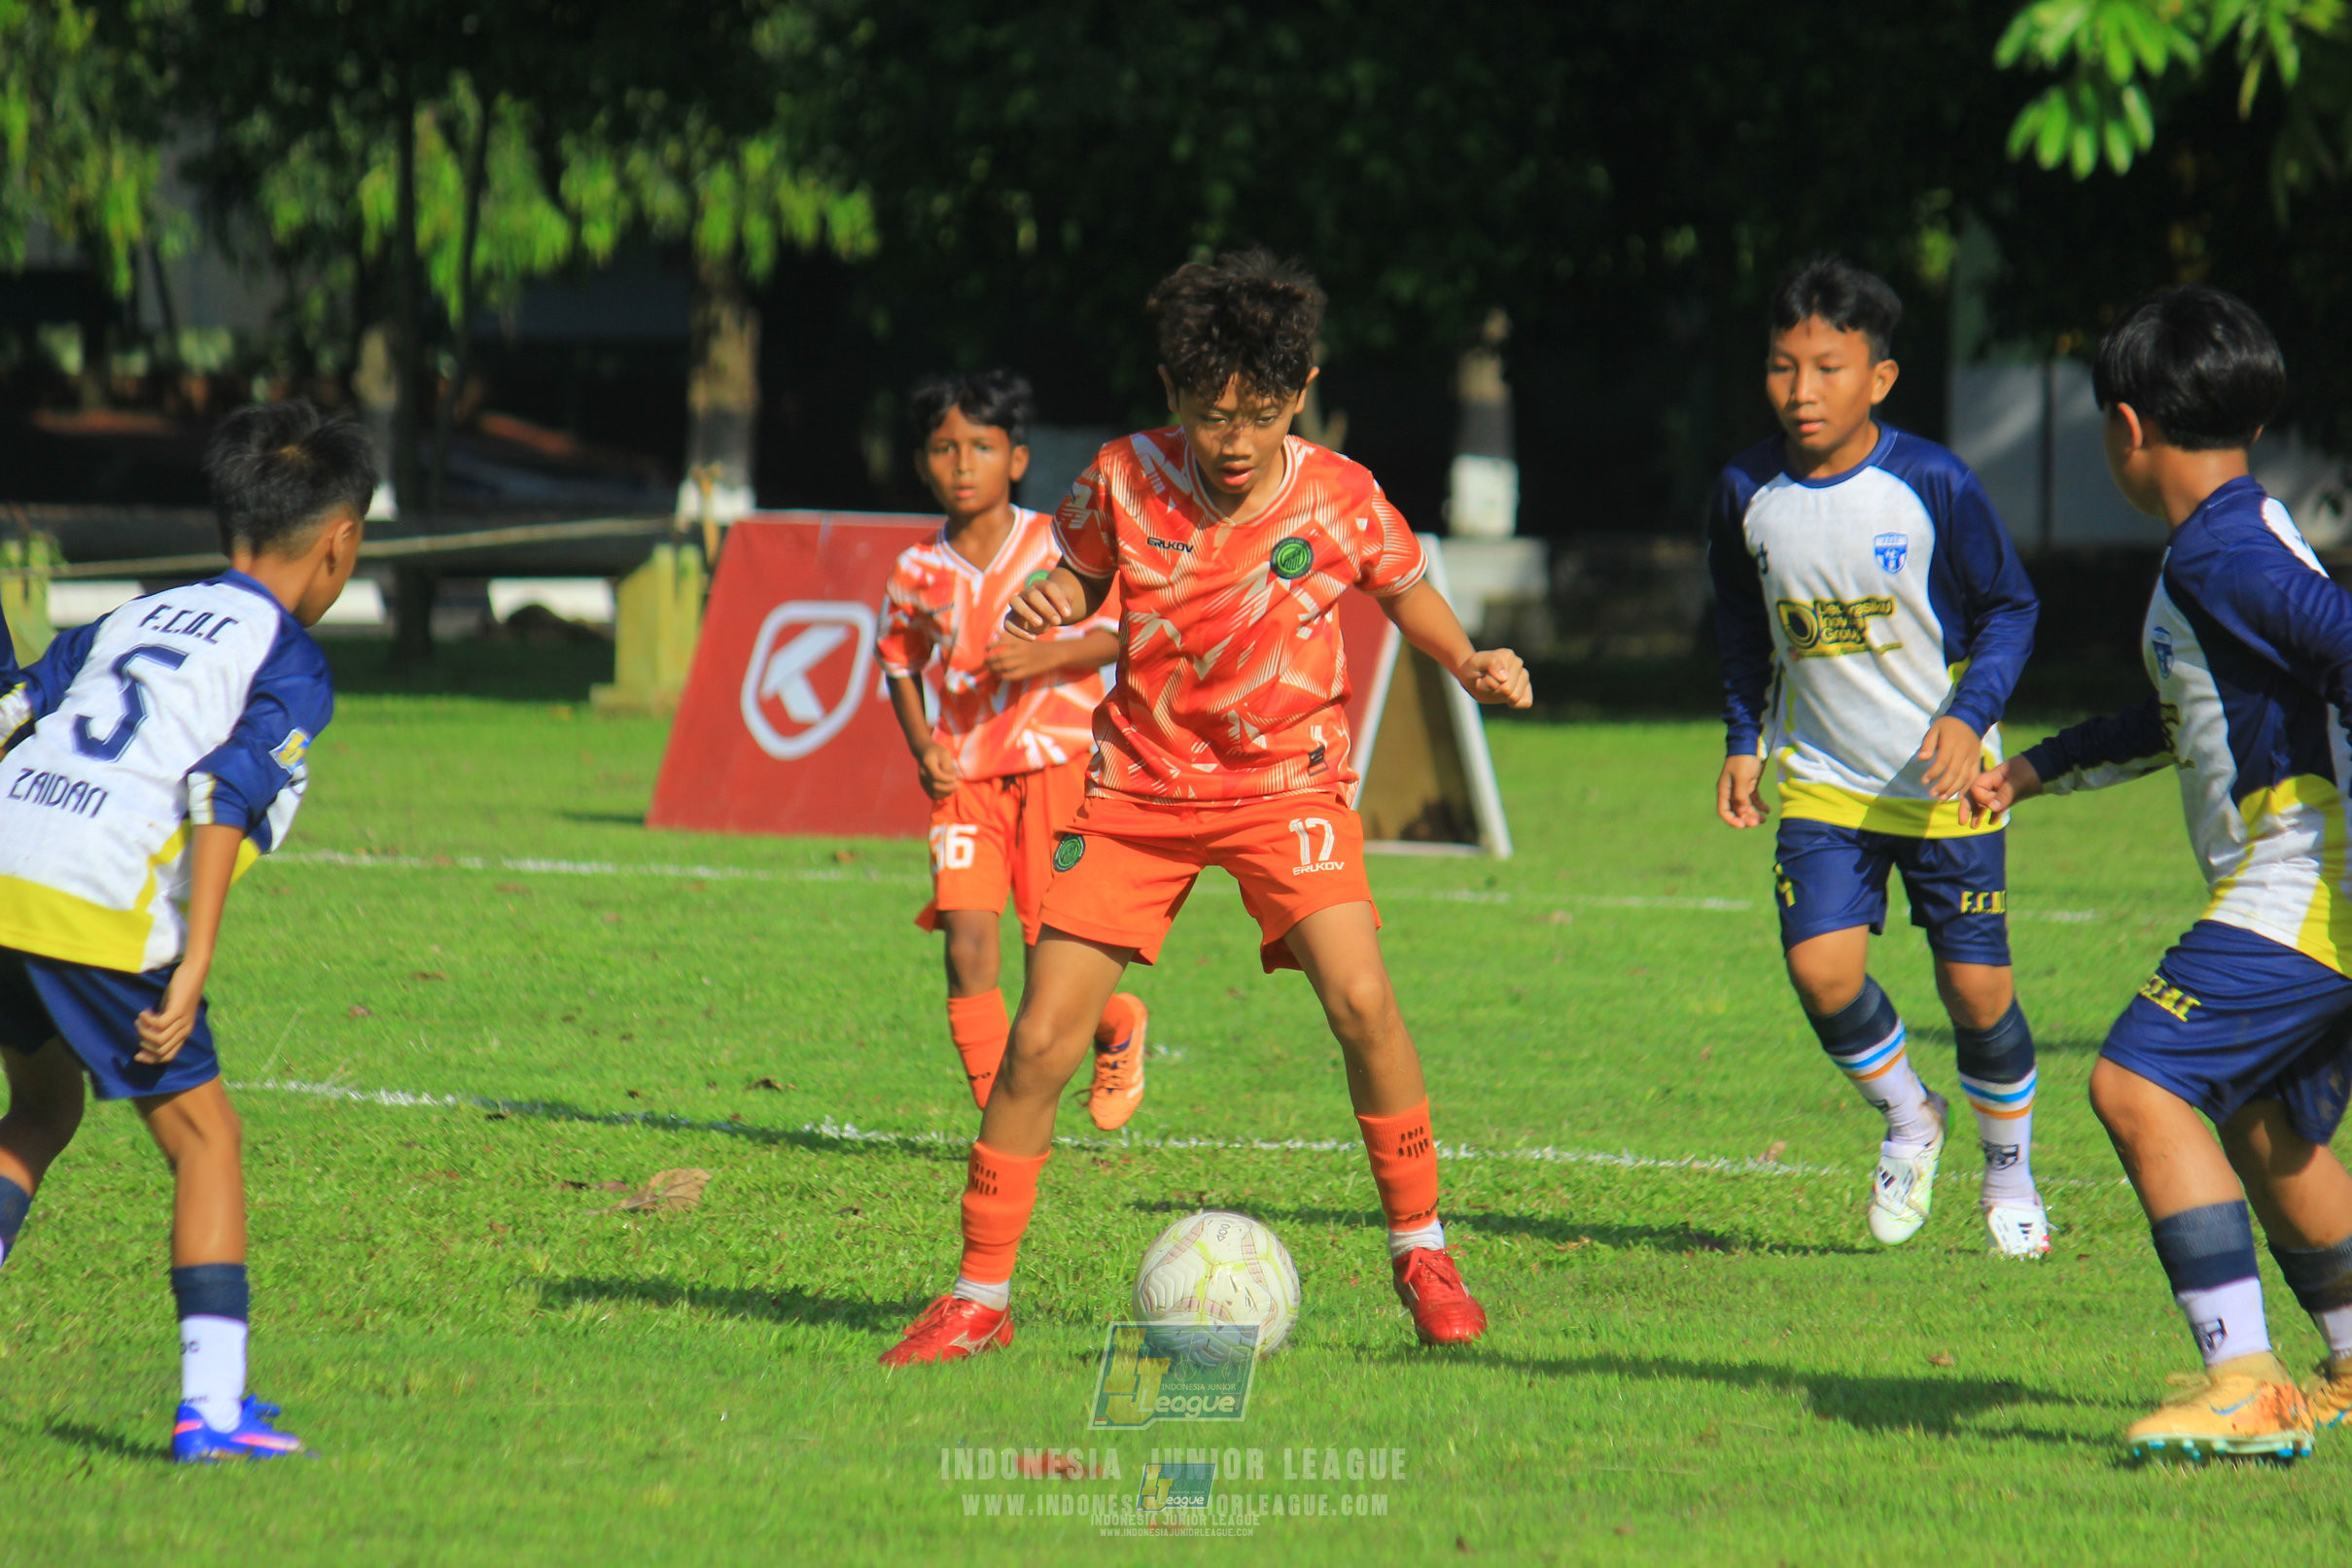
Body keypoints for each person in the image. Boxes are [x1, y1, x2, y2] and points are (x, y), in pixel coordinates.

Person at [878, 249, 1531, 1367]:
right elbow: (1082, 573)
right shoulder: (1121, 475)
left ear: (1302, 389)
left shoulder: (1339, 493)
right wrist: (1057, 591)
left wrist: (1468, 659)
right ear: (1171, 391)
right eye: (1211, 412)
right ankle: (978, 1294)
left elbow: (1405, 585)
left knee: (1363, 999)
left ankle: (1422, 1249)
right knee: (1039, 1039)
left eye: (1261, 414)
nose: (1233, 440)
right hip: (1137, 786)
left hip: (1287, 786)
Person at [1967, 287, 2352, 1461]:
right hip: (2308, 873)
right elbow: (2182, 709)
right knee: (2268, 1130)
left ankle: (2241, 1378)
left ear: (2127, 429)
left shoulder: (2224, 551)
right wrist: (2033, 767)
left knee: (2137, 1083)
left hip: (2307, 871)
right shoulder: (2232, 536)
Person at [0, 400, 370, 1461]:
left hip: (6, 863)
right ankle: (212, 1408)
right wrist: (194, 951)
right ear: (340, 543)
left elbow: (13, 709)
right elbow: (220, 788)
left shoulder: (138, 611)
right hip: (96, 890)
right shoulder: (285, 656)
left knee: (39, 1105)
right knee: (206, 1137)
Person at [1709, 257, 2048, 1256]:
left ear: (1879, 379)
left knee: (1977, 993)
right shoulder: (1743, 489)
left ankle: (2009, 1172)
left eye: (1827, 367)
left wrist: (1966, 713)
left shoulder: (1932, 481)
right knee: (1821, 971)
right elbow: (1742, 624)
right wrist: (1743, 737)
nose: (1801, 390)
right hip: (1826, 776)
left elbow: (2011, 608)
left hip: (1949, 777)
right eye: (1781, 366)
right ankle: (1911, 1116)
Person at [878, 368, 1148, 1124]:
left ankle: (1117, 1020)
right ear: (922, 462)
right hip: (963, 776)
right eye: (942, 448)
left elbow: (1124, 627)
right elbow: (897, 659)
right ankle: (1002, 1119)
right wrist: (920, 743)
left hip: (1056, 767)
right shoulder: (913, 572)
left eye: (981, 447)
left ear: (1017, 459)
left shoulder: (1060, 545)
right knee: (965, 944)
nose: (961, 464)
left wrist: (1053, 656)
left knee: (1049, 964)